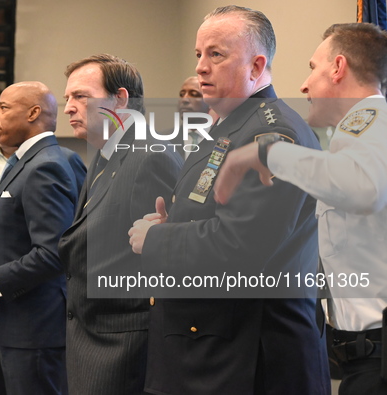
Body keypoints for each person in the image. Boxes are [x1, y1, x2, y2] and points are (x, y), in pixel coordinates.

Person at [128, 6, 330, 394]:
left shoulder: (273, 134)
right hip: (207, 349)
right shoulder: (230, 127)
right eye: (198, 55)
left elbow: (242, 246)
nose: (201, 67)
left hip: (246, 360)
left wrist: (155, 240)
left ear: (256, 66)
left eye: (216, 55)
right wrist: (173, 225)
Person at [214, 22, 387, 395]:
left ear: (338, 68)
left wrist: (268, 151)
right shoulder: (355, 141)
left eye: (313, 67)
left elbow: (362, 188)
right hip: (362, 359)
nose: (304, 85)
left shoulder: (373, 123)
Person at [59, 54, 183, 395]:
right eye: (67, 98)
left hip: (124, 349)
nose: (68, 107)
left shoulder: (151, 155)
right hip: (91, 339)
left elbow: (166, 262)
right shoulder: (103, 153)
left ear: (121, 100)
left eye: (81, 97)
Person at [0, 81, 84, 395]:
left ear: (33, 113)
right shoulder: (27, 162)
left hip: (34, 326)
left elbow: (54, 251)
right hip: (15, 322)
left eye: (4, 108)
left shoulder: (46, 166)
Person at [177, 76, 217, 158]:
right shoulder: (164, 140)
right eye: (182, 94)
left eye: (194, 94)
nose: (184, 100)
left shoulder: (222, 137)